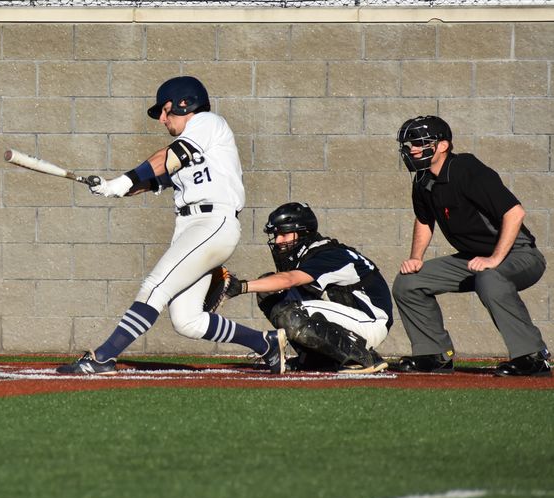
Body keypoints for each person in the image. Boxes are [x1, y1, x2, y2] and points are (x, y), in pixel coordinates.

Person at [57, 76, 287, 375]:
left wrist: (123, 179)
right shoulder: (191, 147)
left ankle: (103, 357)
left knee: (154, 288)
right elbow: (152, 179)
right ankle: (265, 343)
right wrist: (109, 186)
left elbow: (168, 157)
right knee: (187, 321)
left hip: (213, 222)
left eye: (166, 111)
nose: (162, 119)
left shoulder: (207, 123)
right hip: (191, 226)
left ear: (185, 103)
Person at [392, 115, 550, 377]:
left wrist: (495, 259)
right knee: (408, 282)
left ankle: (532, 357)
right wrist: (415, 257)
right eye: (409, 145)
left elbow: (515, 213)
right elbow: (423, 220)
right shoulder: (422, 180)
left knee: (490, 278)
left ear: (443, 145)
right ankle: (436, 356)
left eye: (419, 143)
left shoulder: (467, 169)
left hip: (519, 253)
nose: (413, 150)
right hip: (472, 258)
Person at [222, 202, 392, 374]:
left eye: (284, 234)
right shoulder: (310, 254)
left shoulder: (328, 254)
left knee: (289, 313)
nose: (279, 240)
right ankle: (314, 358)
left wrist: (242, 286)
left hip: (370, 322)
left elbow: (289, 279)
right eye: (277, 235)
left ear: (303, 233)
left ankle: (362, 357)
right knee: (268, 289)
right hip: (350, 316)